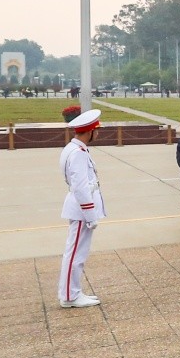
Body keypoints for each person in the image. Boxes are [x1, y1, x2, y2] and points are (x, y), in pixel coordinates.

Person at [58, 110, 107, 307]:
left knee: (77, 253)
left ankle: (72, 292)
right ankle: (70, 296)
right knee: (75, 254)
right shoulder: (77, 153)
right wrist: (90, 214)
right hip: (81, 209)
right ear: (90, 132)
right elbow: (80, 187)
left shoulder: (74, 148)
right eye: (97, 130)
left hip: (79, 208)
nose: (99, 134)